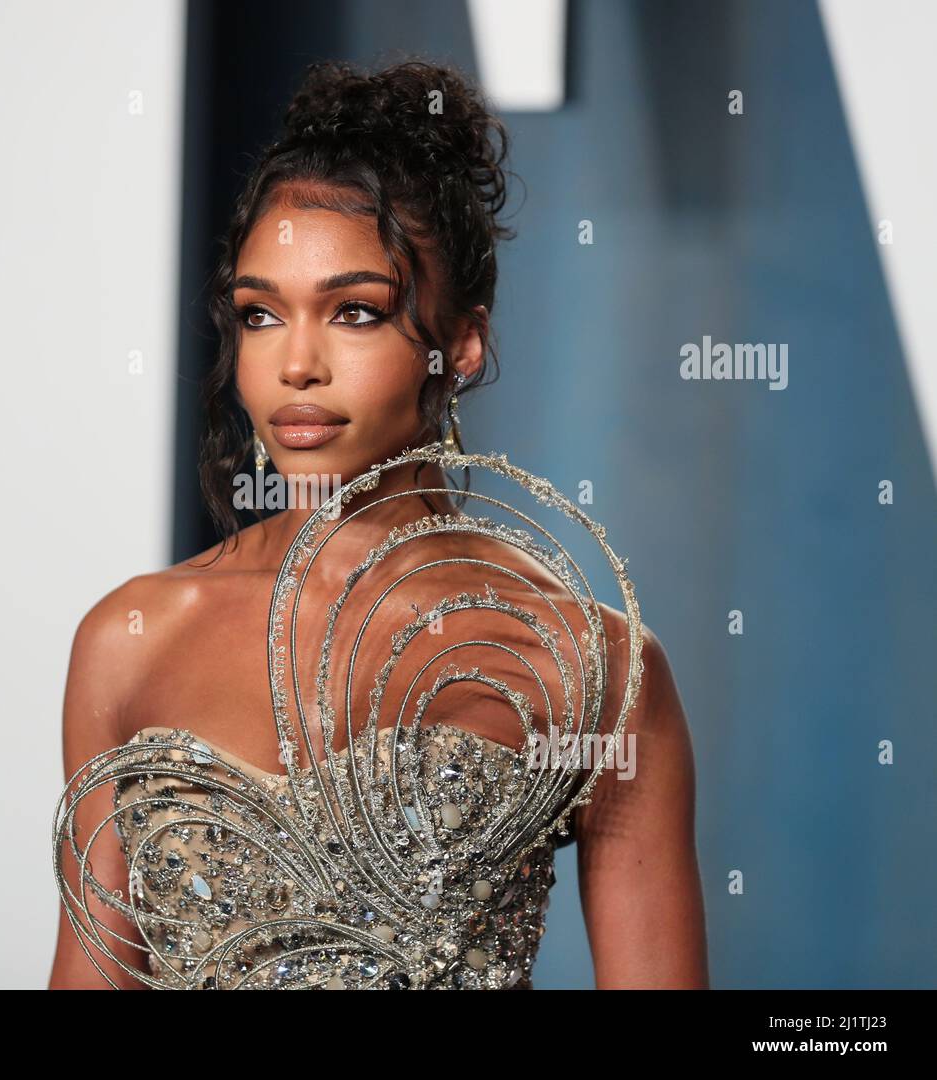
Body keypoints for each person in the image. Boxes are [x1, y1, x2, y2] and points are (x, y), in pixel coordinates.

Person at [49, 58, 707, 990]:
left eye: (355, 312)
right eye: (261, 314)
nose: (297, 364)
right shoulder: (132, 638)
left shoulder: (591, 665)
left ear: (462, 344)